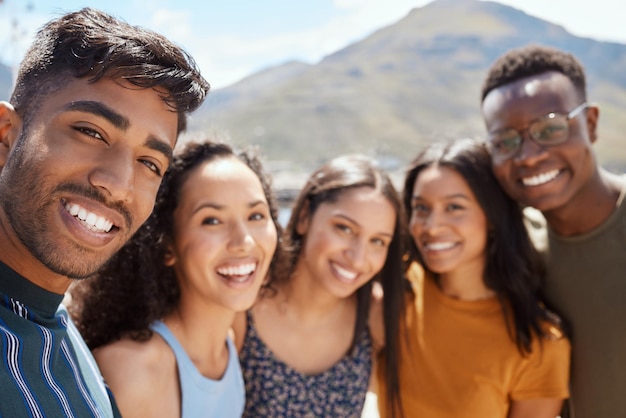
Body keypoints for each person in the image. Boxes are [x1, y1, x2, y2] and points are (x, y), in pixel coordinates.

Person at [0, 8, 209, 417]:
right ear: (6, 136)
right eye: (91, 132)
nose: (118, 183)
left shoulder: (60, 329)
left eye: (150, 163)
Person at [69, 141, 280, 418]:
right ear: (168, 245)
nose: (244, 241)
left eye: (256, 215)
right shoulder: (134, 373)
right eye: (212, 221)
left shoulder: (231, 340)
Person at [480, 44, 626, 418]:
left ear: (590, 124)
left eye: (550, 128)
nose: (528, 155)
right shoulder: (514, 251)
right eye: (505, 142)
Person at [376, 138, 570, 418]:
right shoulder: (396, 291)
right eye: (421, 208)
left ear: (492, 217)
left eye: (454, 207)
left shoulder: (540, 346)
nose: (431, 227)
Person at [234, 154, 407, 418]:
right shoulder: (243, 303)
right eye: (345, 229)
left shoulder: (374, 316)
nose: (359, 258)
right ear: (304, 216)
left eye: (378, 242)